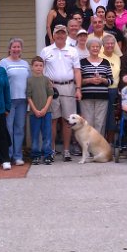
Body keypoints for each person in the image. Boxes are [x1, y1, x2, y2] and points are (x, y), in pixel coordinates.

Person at [41, 24, 83, 162]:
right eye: (57, 33)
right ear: (53, 35)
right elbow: (41, 70)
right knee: (52, 120)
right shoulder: (46, 51)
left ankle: (66, 151)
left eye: (62, 33)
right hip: (51, 88)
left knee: (67, 120)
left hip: (68, 87)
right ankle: (51, 150)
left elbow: (77, 71)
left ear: (66, 35)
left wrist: (78, 88)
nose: (60, 36)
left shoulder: (73, 51)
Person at [0, 37, 30, 166]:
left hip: (22, 100)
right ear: (9, 49)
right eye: (14, 47)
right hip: (9, 100)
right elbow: (0, 82)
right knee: (8, 129)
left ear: (21, 49)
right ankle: (7, 155)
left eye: (18, 47)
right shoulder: (4, 63)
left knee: (19, 129)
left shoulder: (25, 63)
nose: (16, 49)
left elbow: (29, 82)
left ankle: (18, 156)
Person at [80, 38, 113, 137]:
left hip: (102, 97)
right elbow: (78, 81)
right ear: (88, 48)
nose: (95, 48)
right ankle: (88, 147)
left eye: (97, 47)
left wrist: (102, 80)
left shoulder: (106, 62)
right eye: (92, 47)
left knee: (100, 123)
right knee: (87, 123)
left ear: (100, 48)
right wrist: (89, 80)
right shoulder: (82, 62)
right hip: (86, 97)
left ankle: (98, 147)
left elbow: (111, 80)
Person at [27, 56, 55, 165]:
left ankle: (47, 154)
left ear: (43, 67)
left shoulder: (46, 80)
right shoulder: (29, 81)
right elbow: (28, 97)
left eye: (40, 65)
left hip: (46, 112)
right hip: (34, 113)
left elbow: (50, 95)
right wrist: (35, 110)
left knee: (47, 134)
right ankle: (35, 155)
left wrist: (44, 109)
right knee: (34, 135)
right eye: (36, 66)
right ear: (32, 67)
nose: (38, 68)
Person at [99, 34, 122, 144]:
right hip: (101, 89)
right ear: (103, 45)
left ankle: (110, 143)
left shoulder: (117, 58)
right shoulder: (99, 56)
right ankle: (100, 142)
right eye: (107, 43)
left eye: (112, 43)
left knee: (112, 117)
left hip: (113, 90)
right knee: (101, 117)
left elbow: (119, 75)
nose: (110, 45)